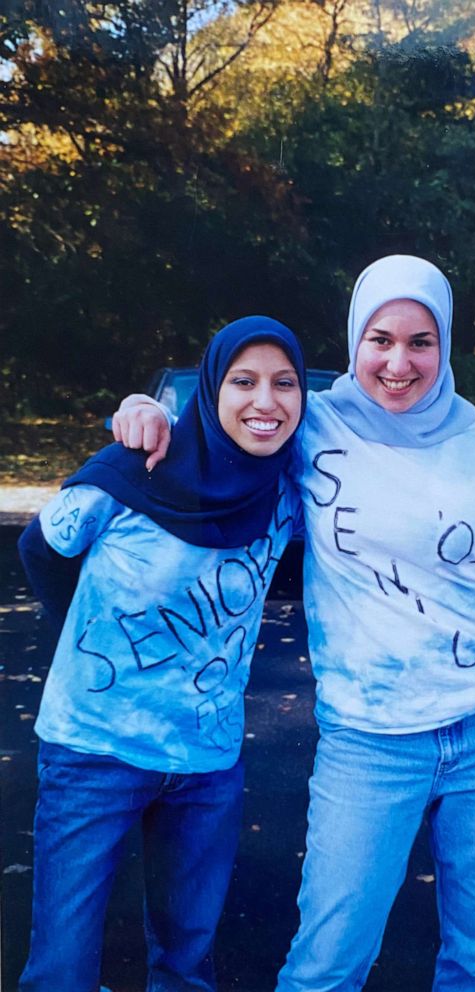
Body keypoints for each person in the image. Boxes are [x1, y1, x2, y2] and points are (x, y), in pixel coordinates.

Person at [113, 255, 475, 991]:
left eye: (420, 341)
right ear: (353, 340)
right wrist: (149, 416)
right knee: (327, 962)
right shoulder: (313, 427)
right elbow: (225, 429)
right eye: (380, 339)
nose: (399, 362)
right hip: (369, 738)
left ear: (445, 345)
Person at [17, 316, 307, 992]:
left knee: (184, 964)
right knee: (61, 967)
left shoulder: (286, 491)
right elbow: (41, 548)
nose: (264, 401)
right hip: (93, 751)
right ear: (211, 388)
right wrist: (77, 648)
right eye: (243, 381)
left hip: (206, 765)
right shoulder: (132, 467)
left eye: (283, 383)